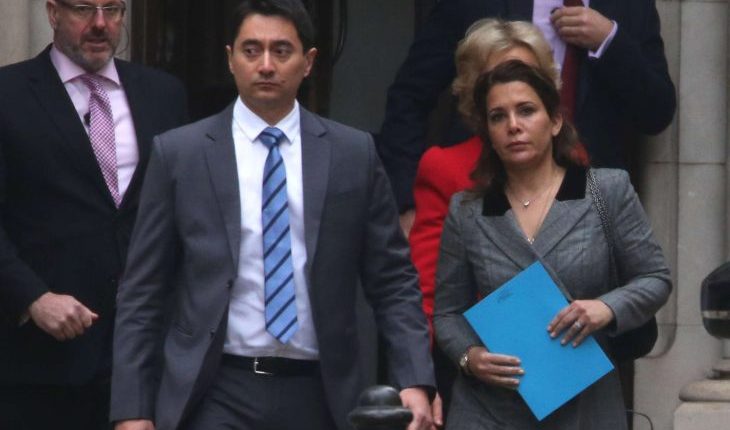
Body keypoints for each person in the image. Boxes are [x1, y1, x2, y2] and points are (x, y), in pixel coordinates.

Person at [109, 1, 437, 430]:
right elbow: (142, 290)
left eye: (281, 51)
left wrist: (414, 379)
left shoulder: (353, 154)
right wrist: (132, 410)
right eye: (251, 50)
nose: (265, 65)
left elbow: (392, 280)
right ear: (230, 59)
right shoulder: (181, 153)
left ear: (308, 62)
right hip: (214, 387)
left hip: (321, 389)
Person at [433, 60, 672, 429]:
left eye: (526, 110)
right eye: (498, 117)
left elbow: (655, 278)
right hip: (490, 409)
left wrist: (606, 308)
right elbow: (447, 312)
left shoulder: (606, 190)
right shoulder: (468, 211)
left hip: (584, 402)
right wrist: (469, 356)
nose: (513, 125)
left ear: (556, 121)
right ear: (488, 133)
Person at [0, 1, 188, 429]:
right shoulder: (8, 95)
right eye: (85, 8)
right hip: (40, 366)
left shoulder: (164, 94)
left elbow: (182, 214)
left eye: (113, 9)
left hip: (143, 362)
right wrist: (32, 298)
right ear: (53, 12)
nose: (101, 23)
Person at [377, 0, 676, 235]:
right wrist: (406, 205)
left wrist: (609, 41)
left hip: (588, 207)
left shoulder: (630, 5)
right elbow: (410, 96)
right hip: (482, 191)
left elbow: (656, 113)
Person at [408, 18, 563, 416]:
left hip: (567, 369)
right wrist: (424, 381)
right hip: (483, 374)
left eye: (525, 74)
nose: (512, 86)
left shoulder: (577, 166)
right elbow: (428, 295)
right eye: (498, 75)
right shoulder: (447, 169)